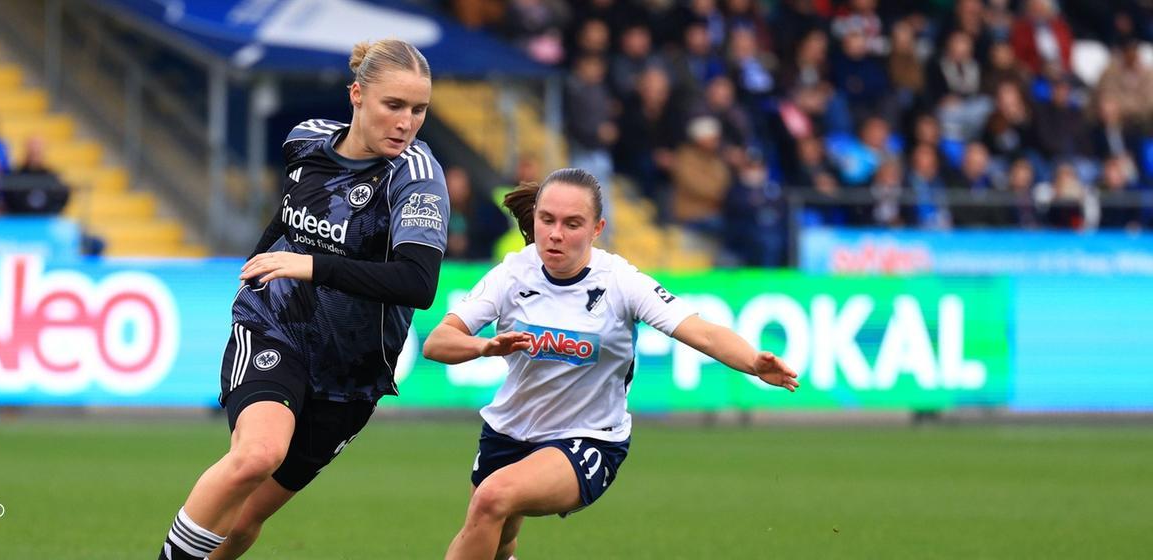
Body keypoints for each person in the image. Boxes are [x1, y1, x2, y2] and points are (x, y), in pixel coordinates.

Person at [156, 39, 449, 560]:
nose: (407, 122)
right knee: (256, 456)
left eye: (419, 109)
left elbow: (417, 284)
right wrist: (260, 265)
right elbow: (288, 214)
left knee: (244, 521)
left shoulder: (416, 178)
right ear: (357, 95)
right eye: (394, 105)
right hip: (277, 327)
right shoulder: (306, 140)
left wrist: (311, 265)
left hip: (352, 375)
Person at [422, 168, 798, 560]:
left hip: (588, 439)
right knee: (498, 543)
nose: (555, 233)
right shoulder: (512, 273)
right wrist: (484, 347)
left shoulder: (620, 281)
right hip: (507, 431)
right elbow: (438, 342)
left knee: (492, 499)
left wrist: (753, 361)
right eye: (547, 220)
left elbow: (701, 332)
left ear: (597, 228)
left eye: (572, 224)